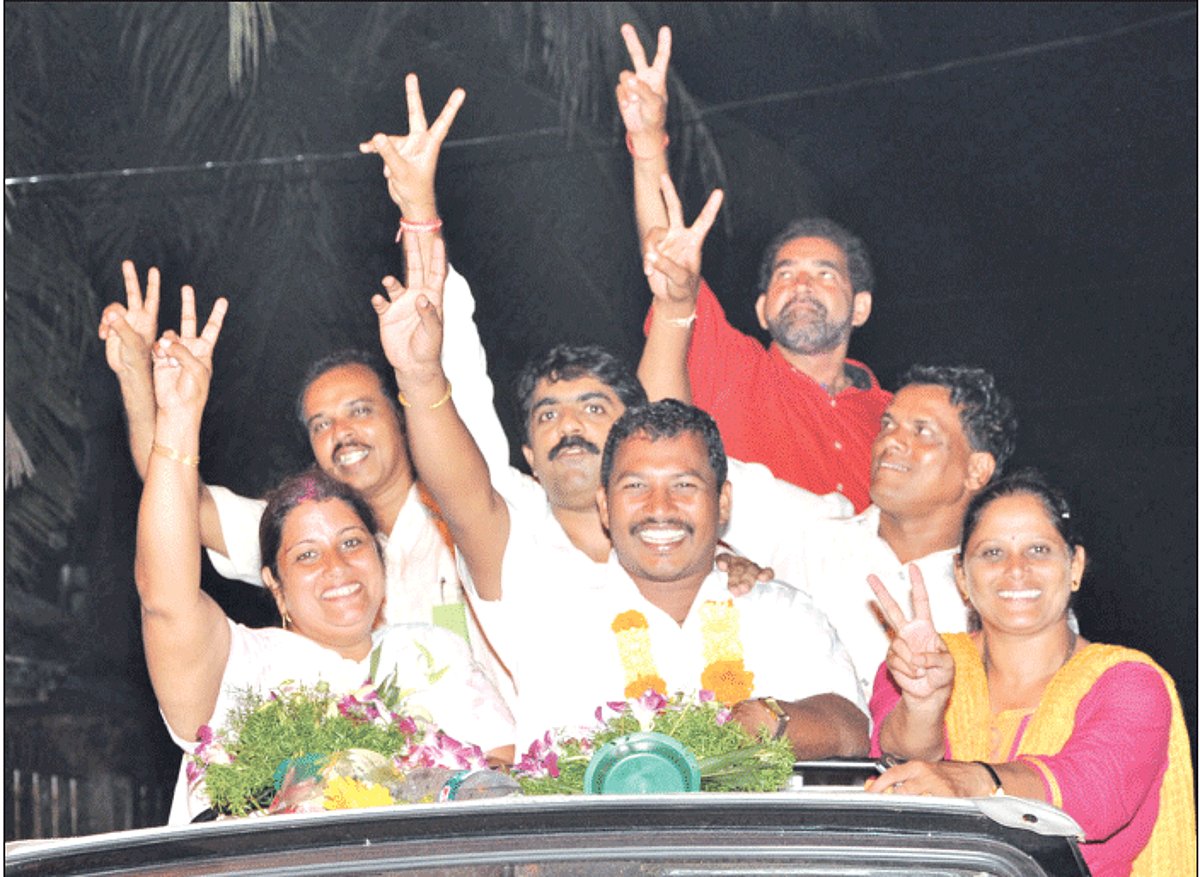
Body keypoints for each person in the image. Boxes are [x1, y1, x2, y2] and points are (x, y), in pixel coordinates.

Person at [98, 74, 513, 701]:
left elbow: (450, 355)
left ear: (404, 421)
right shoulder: (301, 534)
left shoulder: (470, 505)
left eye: (358, 411)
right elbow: (179, 495)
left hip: (487, 774)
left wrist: (418, 213)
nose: (341, 433)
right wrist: (137, 380)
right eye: (321, 424)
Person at [372, 242, 866, 755]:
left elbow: (851, 728)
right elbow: (463, 485)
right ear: (607, 505)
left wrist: (762, 720)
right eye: (634, 487)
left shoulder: (776, 609)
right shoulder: (563, 633)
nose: (659, 506)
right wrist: (420, 376)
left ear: (722, 504)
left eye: (683, 487)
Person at [134, 300, 513, 824]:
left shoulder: (434, 656)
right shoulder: (240, 666)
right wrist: (176, 422)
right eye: (307, 555)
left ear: (380, 559)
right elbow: (165, 600)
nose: (336, 566)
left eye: (353, 543)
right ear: (275, 584)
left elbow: (504, 781)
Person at [866, 470, 1195, 877]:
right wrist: (924, 705)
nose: (1016, 569)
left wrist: (977, 781)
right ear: (962, 576)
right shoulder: (921, 660)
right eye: (991, 552)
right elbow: (895, 774)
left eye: (1038, 549)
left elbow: (1095, 792)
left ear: (1074, 565)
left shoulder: (1129, 682)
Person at [617, 23, 890, 511]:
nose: (801, 283)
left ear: (862, 306)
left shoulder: (896, 417)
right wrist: (647, 139)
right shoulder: (731, 366)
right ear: (762, 309)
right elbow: (666, 260)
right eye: (784, 274)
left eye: (825, 273)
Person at [747, 364, 1018, 695]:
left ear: (977, 470)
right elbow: (686, 478)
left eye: (923, 431)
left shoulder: (1005, 592)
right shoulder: (807, 532)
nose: (892, 441)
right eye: (888, 424)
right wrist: (720, 560)